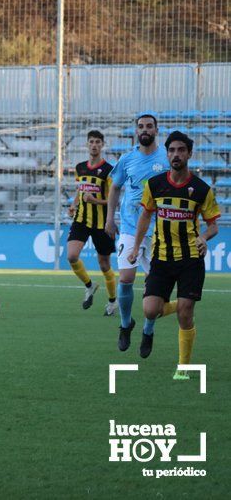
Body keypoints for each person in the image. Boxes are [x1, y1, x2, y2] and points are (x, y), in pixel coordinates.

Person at [128, 131, 220, 373]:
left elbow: (213, 225)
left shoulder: (201, 189)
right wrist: (136, 247)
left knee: (185, 313)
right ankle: (149, 329)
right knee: (150, 310)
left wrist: (203, 237)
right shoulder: (155, 185)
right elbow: (145, 216)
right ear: (167, 154)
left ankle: (184, 367)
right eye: (171, 150)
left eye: (181, 150)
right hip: (161, 258)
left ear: (189, 153)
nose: (176, 154)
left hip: (190, 259)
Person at [105, 114, 177, 352]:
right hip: (128, 227)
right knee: (125, 278)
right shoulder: (127, 159)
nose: (144, 130)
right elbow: (115, 187)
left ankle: (148, 330)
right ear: (136, 131)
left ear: (156, 130)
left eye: (149, 126)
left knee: (153, 288)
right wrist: (109, 219)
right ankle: (126, 325)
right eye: (140, 127)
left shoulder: (166, 160)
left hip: (157, 231)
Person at [67, 130, 118, 315]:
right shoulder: (80, 167)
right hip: (81, 219)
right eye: (91, 142)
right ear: (87, 145)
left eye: (98, 142)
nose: (94, 145)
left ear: (102, 145)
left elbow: (114, 199)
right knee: (72, 256)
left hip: (102, 223)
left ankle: (113, 302)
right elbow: (80, 192)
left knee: (104, 265)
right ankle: (89, 286)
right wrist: (73, 205)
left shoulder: (108, 170)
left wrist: (95, 201)